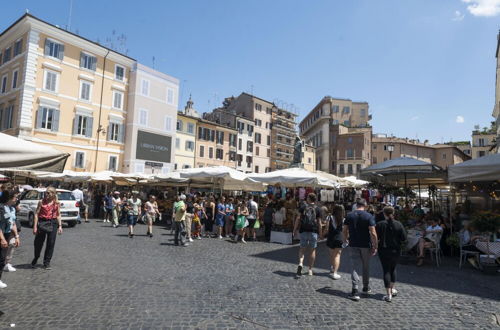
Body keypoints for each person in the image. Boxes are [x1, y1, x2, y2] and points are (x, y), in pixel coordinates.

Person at [343, 198, 378, 301]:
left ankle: (355, 290)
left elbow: (344, 230)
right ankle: (366, 287)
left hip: (353, 243)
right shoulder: (369, 216)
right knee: (366, 266)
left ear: (356, 205)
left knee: (354, 266)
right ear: (365, 205)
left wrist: (345, 240)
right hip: (365, 244)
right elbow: (373, 232)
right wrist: (375, 245)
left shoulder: (349, 215)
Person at [376, 206, 407, 302]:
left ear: (384, 214)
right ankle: (392, 289)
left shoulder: (380, 224)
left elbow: (375, 237)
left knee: (386, 270)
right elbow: (404, 238)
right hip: (395, 250)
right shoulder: (398, 224)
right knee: (393, 269)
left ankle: (388, 294)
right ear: (393, 213)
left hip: (383, 250)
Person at [32, 186, 63, 270]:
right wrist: (35, 226)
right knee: (38, 243)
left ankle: (46, 262)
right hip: (42, 222)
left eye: (48, 193)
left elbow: (58, 214)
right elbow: (36, 214)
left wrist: (60, 226)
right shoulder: (41, 202)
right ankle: (36, 257)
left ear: (53, 194)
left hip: (53, 223)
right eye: (46, 192)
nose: (46, 194)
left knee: (51, 243)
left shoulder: (57, 203)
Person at [293, 193, 322, 277]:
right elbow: (319, 223)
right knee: (312, 251)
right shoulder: (318, 209)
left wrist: (294, 230)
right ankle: (310, 270)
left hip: (303, 231)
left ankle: (301, 263)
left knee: (302, 249)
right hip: (313, 231)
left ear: (309, 199)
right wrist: (320, 234)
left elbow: (298, 219)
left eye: (307, 197)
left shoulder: (303, 207)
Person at [0, 189, 20, 287]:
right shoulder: (1, 208)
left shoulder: (10, 208)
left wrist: (16, 236)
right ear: (9, 198)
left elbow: (12, 223)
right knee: (1, 258)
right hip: (2, 234)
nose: (17, 199)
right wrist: (2, 239)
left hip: (7, 234)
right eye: (15, 197)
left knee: (2, 258)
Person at [326, 204, 345, 280]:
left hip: (331, 238)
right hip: (339, 238)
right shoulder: (344, 219)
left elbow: (327, 228)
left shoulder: (329, 217)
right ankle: (335, 273)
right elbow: (345, 230)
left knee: (332, 255)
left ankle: (333, 268)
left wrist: (321, 235)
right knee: (337, 256)